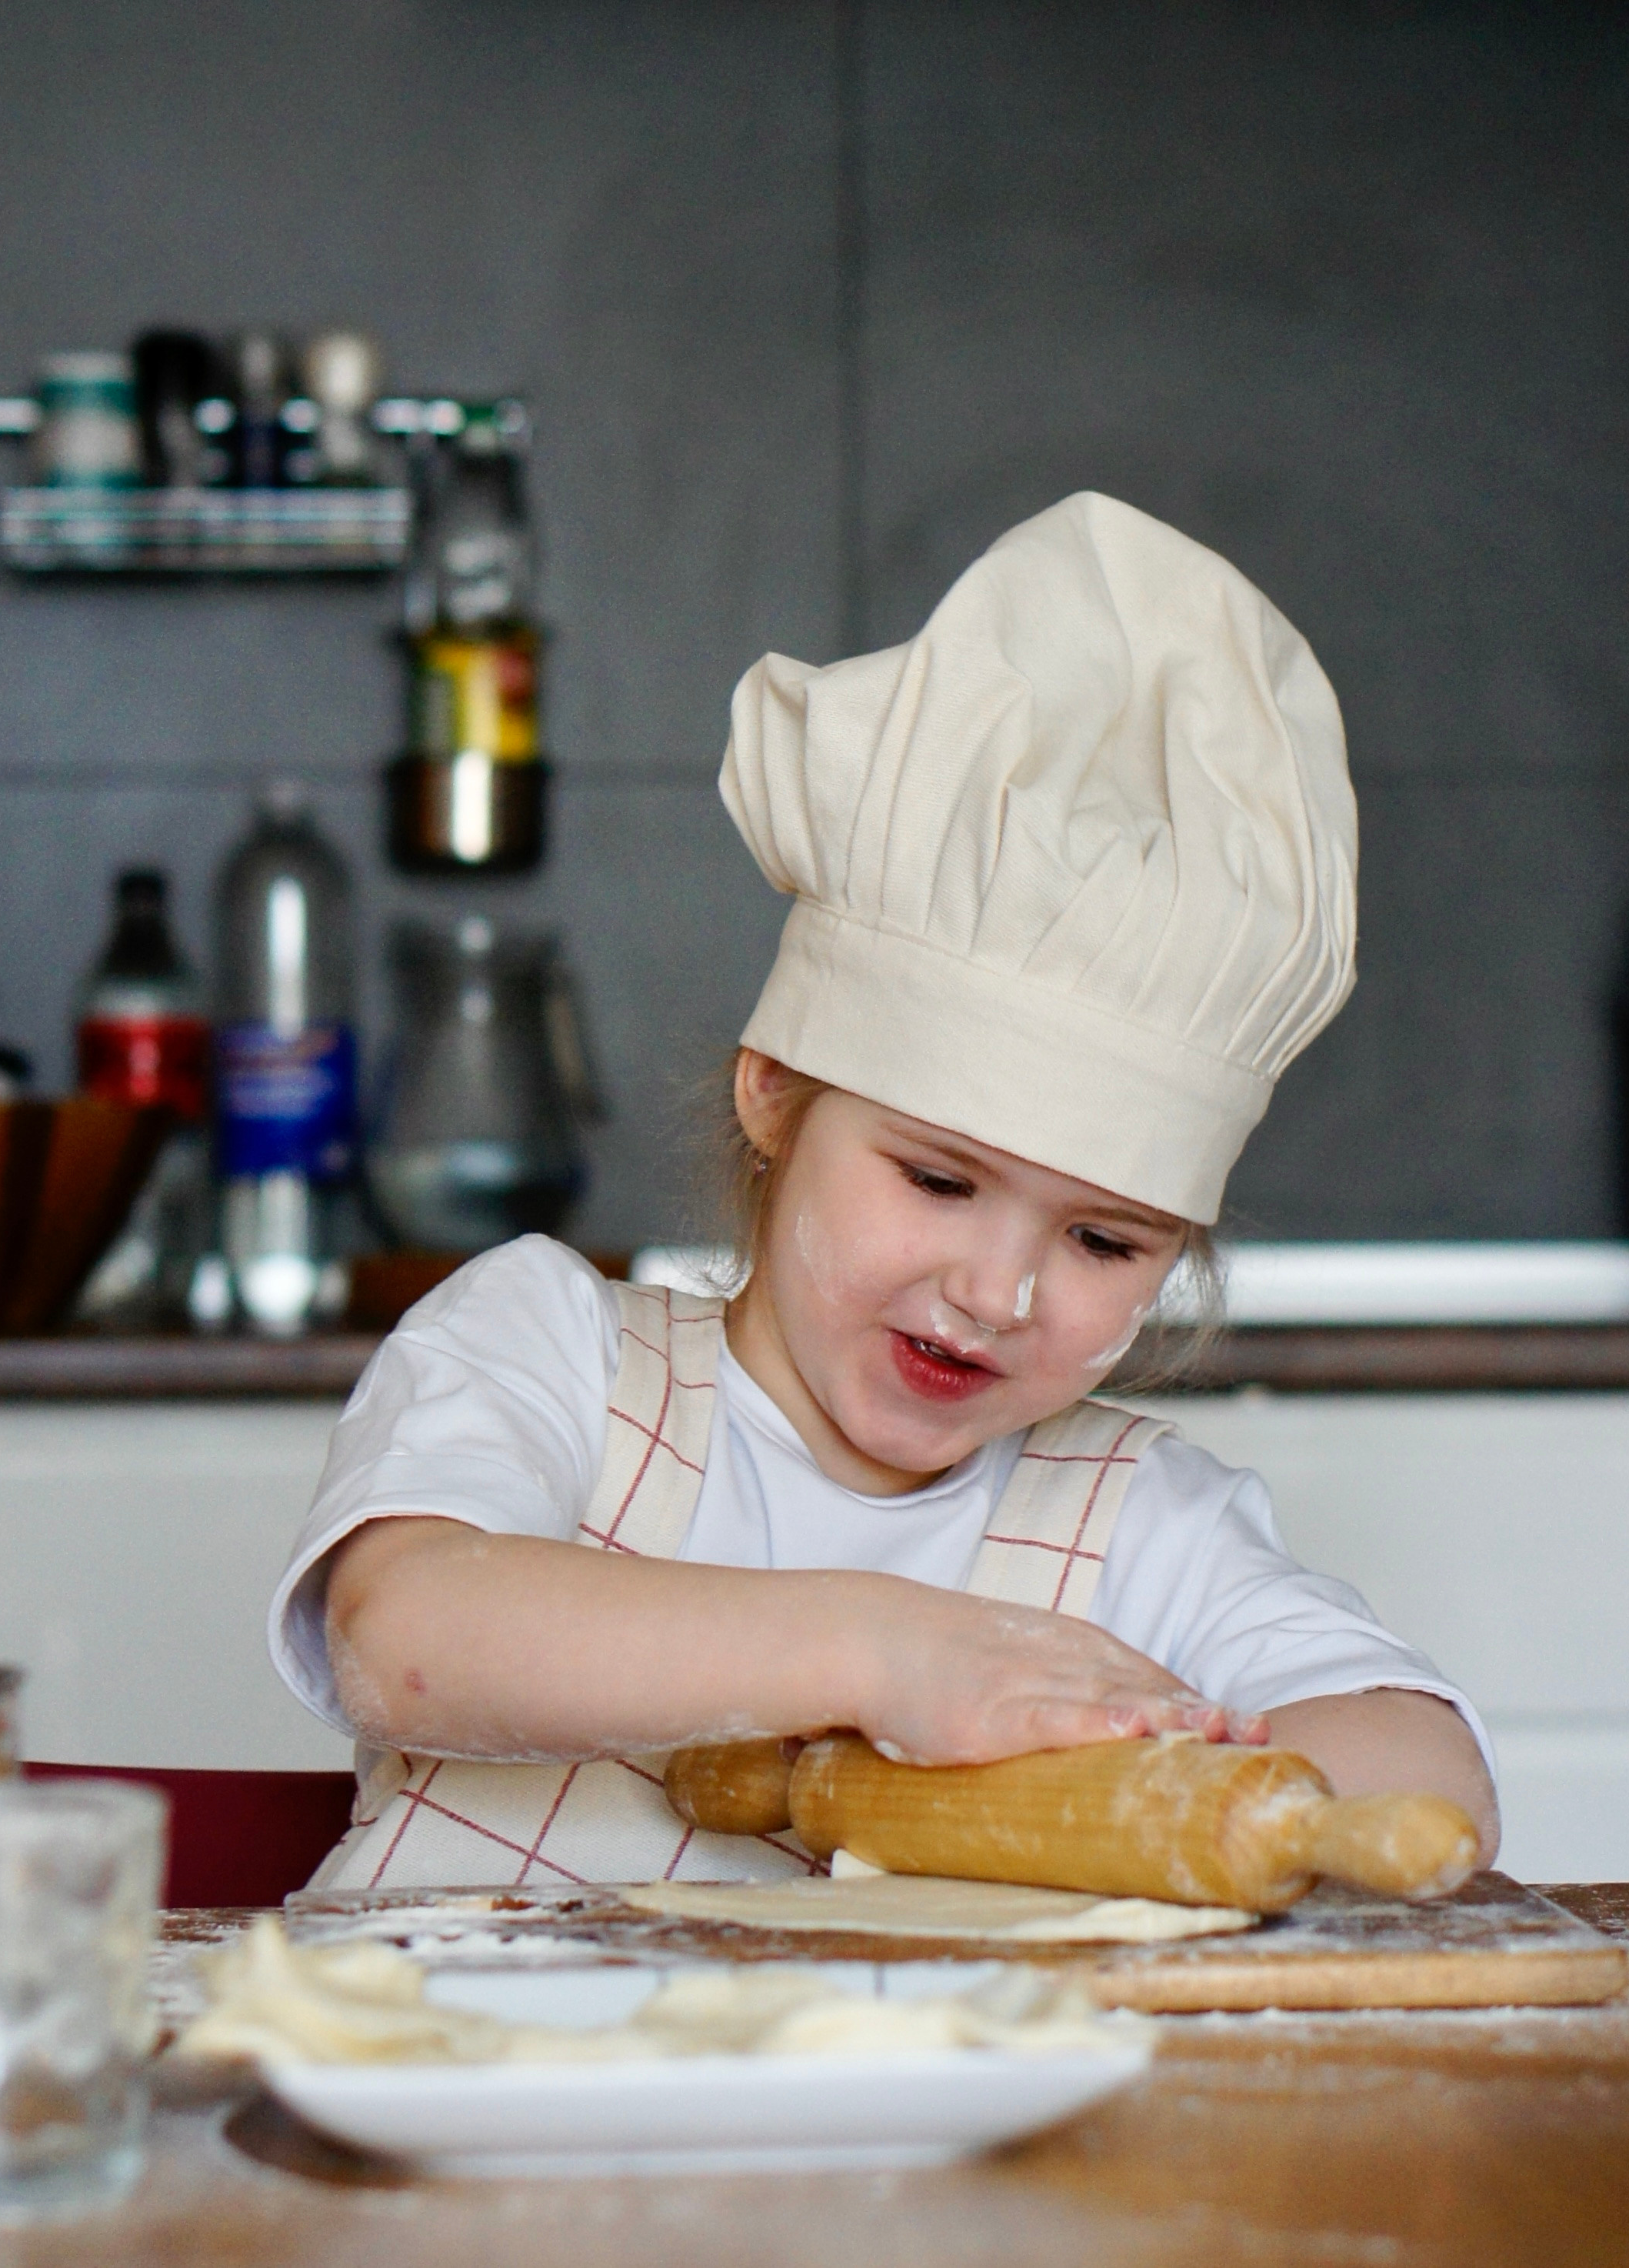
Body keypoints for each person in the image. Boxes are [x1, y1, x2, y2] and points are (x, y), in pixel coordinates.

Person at [271, 492, 1499, 1891]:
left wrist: (1167, 1762)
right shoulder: (554, 1349)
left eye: (1104, 1237)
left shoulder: (1143, 1521)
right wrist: (889, 1650)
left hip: (918, 2117)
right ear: (776, 1092)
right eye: (936, 1178)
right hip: (450, 2085)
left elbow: (1428, 1774)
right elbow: (409, 1642)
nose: (998, 1290)